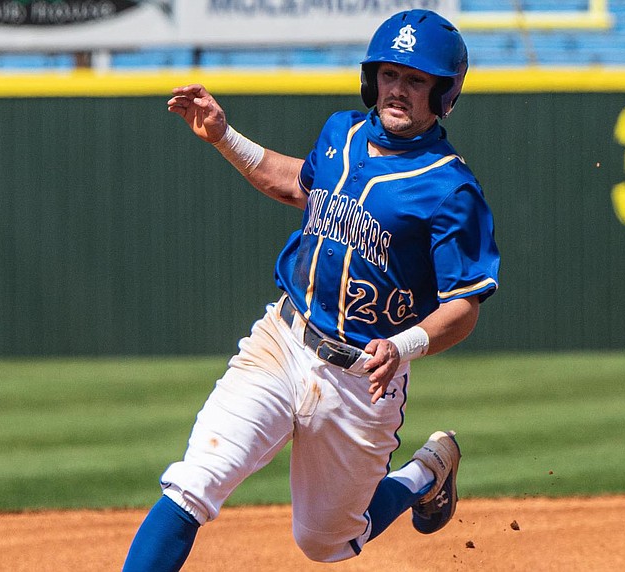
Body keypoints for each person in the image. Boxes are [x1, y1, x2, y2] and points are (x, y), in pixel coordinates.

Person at [123, 9, 500, 570]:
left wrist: (403, 347)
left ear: (443, 94)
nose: (398, 90)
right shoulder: (340, 133)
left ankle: (426, 471)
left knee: (325, 543)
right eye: (390, 75)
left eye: (416, 80)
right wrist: (224, 135)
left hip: (360, 382)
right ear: (372, 78)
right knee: (194, 483)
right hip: (284, 339)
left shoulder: (450, 188)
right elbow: (295, 183)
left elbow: (463, 307)